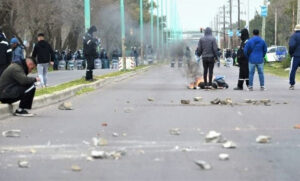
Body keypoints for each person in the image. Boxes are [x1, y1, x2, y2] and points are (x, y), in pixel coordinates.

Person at [288, 24, 300, 90]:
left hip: (296, 56)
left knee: (293, 70)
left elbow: (291, 46)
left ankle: (292, 84)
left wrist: (291, 53)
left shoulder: (294, 36)